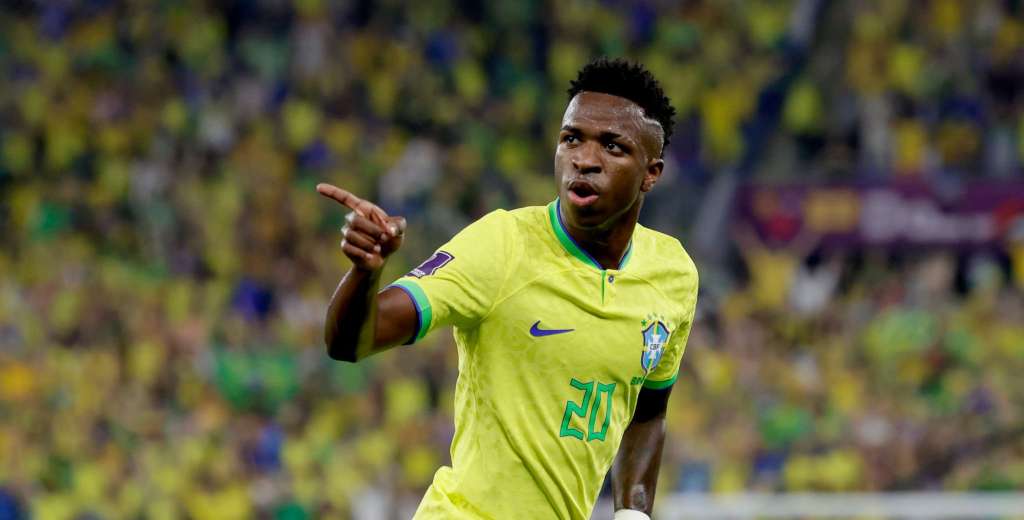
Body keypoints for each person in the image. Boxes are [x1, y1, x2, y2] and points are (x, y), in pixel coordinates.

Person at [317, 58, 699, 519]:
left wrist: (632, 513)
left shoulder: (673, 275)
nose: (584, 160)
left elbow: (649, 409)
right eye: (571, 139)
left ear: (651, 173)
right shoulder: (502, 245)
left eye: (612, 146)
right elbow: (350, 343)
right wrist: (365, 273)